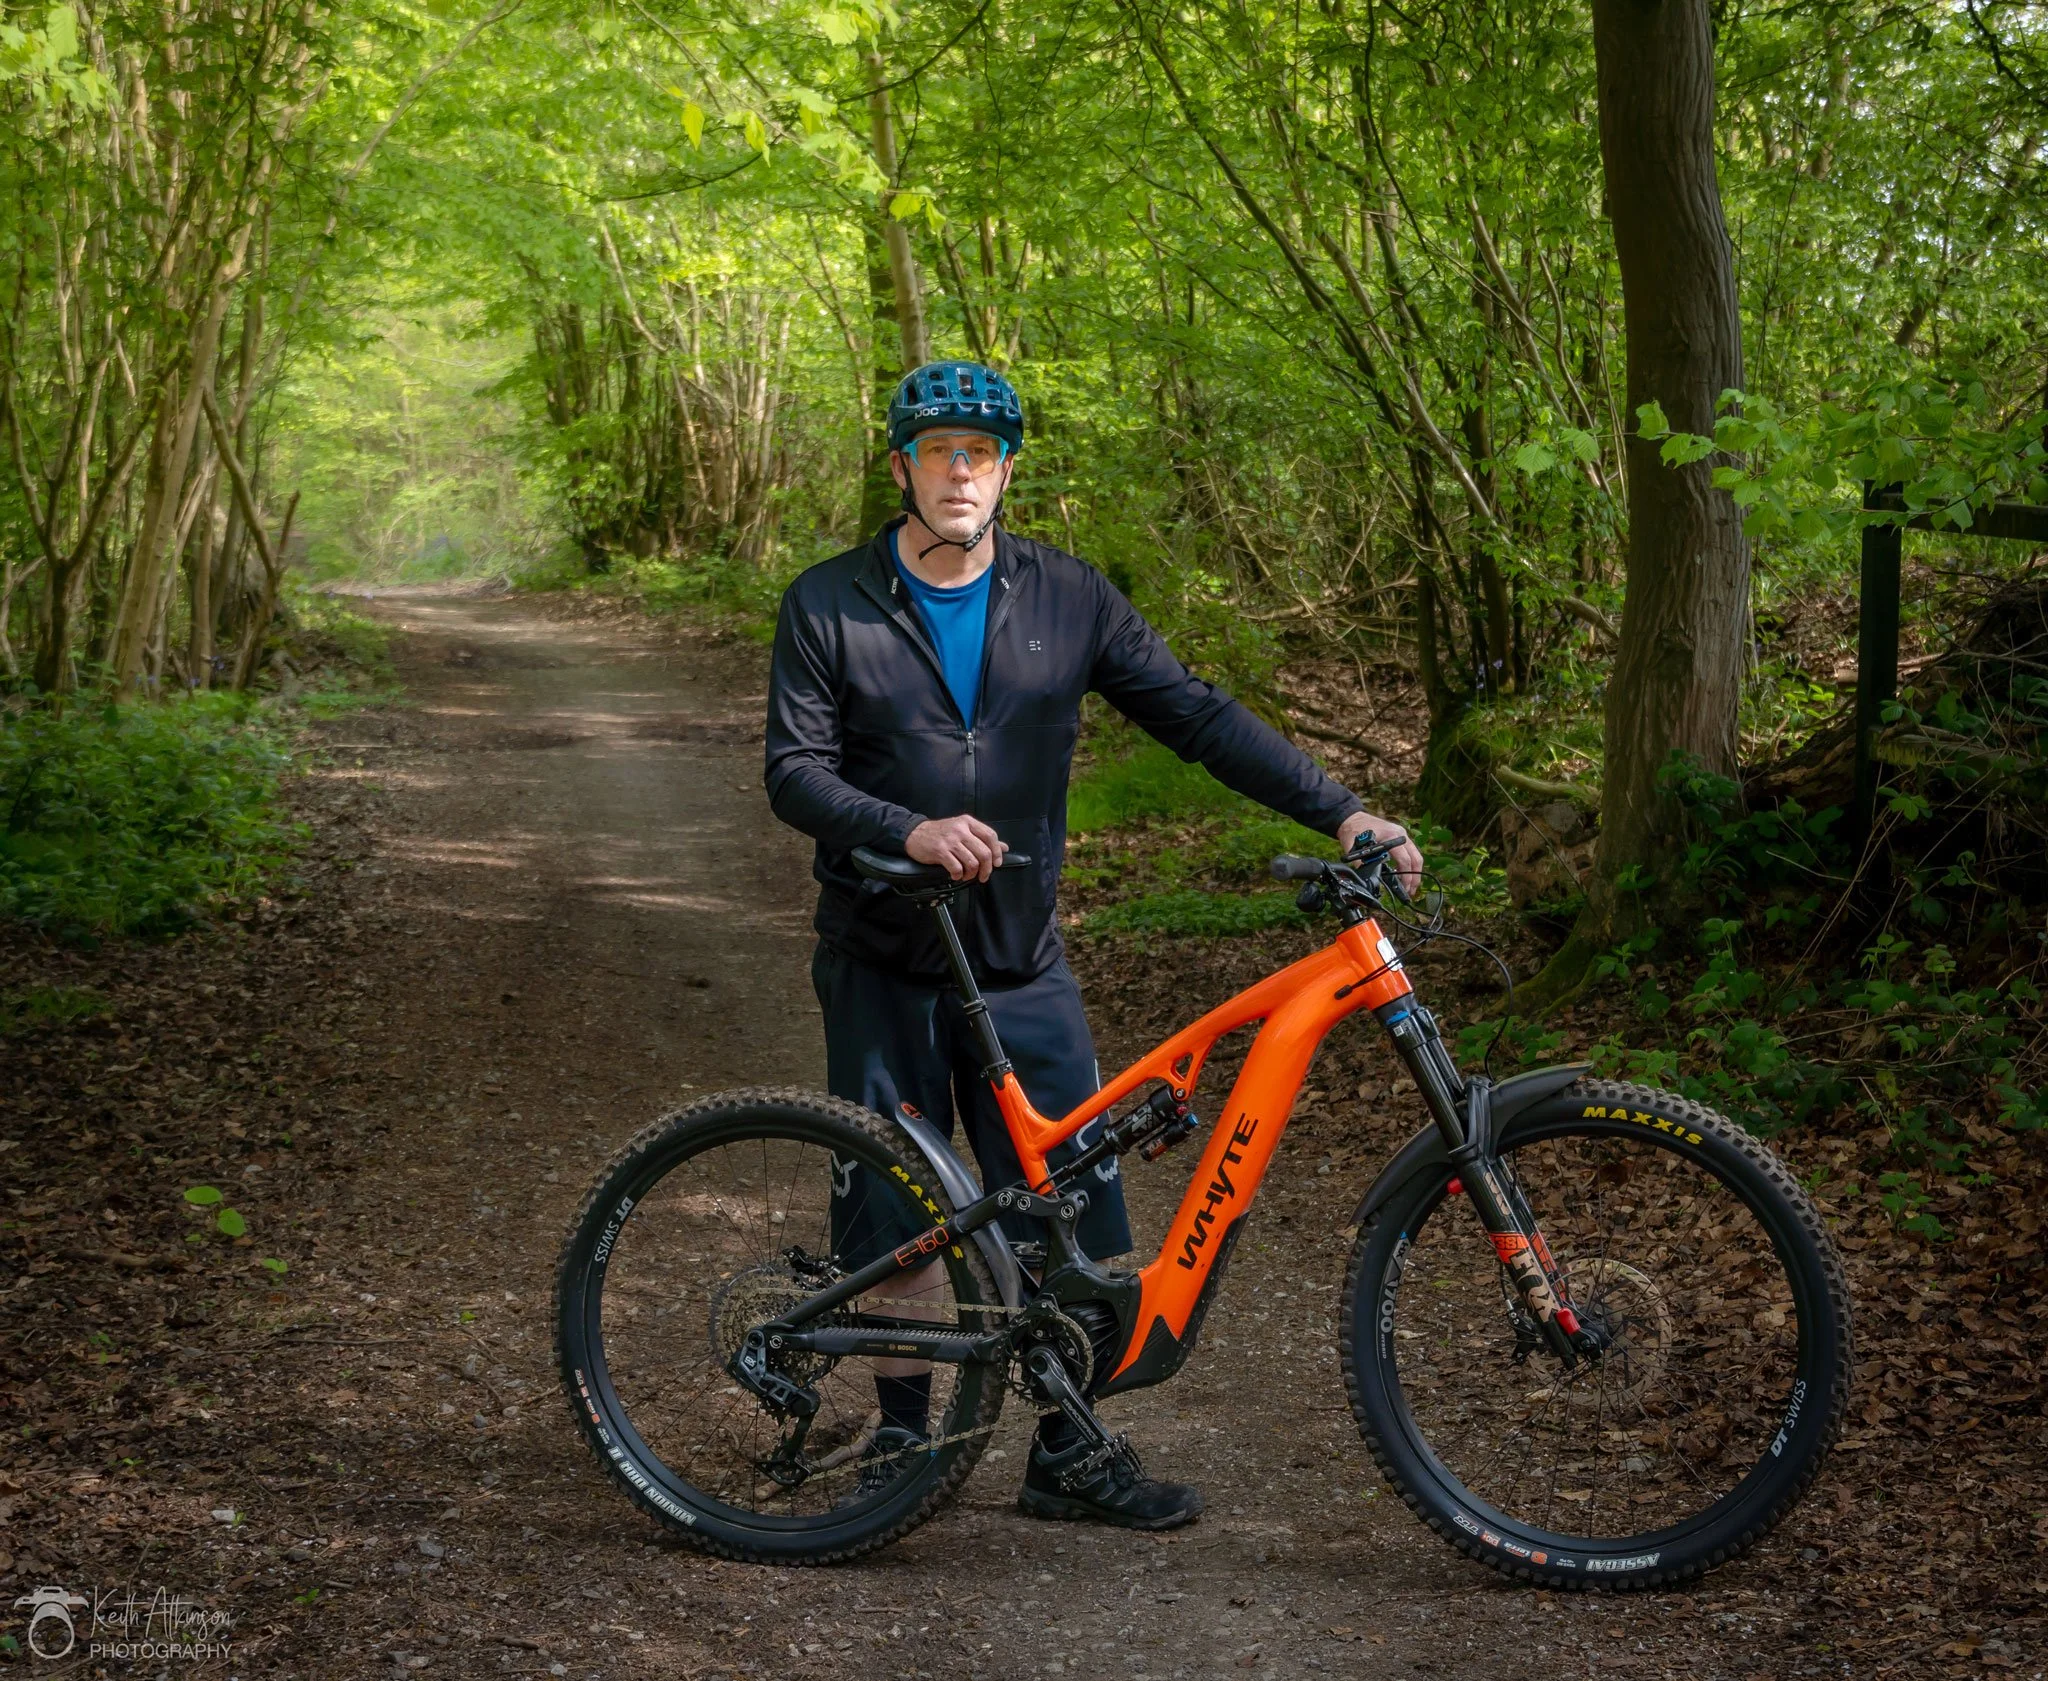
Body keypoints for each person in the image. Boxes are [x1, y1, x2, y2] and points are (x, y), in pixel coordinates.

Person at [764, 360, 1422, 1531]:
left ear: (1007, 469)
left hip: (1017, 957)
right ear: (901, 466)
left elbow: (1196, 715)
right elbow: (794, 771)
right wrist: (904, 826)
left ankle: (1065, 1446)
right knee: (897, 1209)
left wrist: (1341, 808)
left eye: (980, 452)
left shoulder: (1068, 597)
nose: (959, 471)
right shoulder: (829, 603)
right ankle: (904, 1441)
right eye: (936, 451)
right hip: (881, 949)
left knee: (1073, 1200)